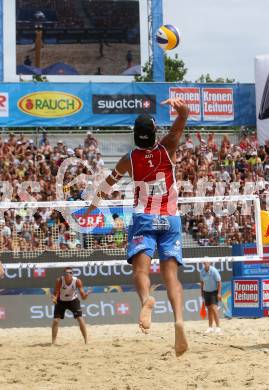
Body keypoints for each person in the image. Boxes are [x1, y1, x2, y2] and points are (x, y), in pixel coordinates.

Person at [86, 98, 189, 356]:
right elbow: (182, 120)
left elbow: (106, 186)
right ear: (155, 133)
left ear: (135, 136)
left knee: (140, 271)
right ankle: (178, 320)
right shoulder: (168, 148)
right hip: (171, 218)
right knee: (171, 277)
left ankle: (146, 300)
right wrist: (181, 110)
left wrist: (93, 206)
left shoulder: (128, 160)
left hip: (144, 217)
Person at [51, 267, 90, 345]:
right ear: (64, 274)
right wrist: (54, 298)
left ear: (72, 274)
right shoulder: (60, 280)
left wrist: (86, 294)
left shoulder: (77, 281)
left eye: (70, 273)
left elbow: (83, 297)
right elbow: (55, 293)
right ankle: (53, 342)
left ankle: (86, 340)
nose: (68, 274)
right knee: (55, 321)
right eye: (66, 273)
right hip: (61, 301)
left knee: (80, 318)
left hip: (73, 300)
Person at [200, 262, 222, 334]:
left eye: (206, 263)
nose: (205, 264)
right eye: (204, 263)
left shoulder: (214, 271)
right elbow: (202, 282)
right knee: (209, 309)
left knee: (214, 309)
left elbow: (219, 282)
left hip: (214, 292)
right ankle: (210, 327)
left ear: (209, 263)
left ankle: (218, 327)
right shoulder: (202, 271)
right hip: (206, 292)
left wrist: (219, 293)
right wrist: (202, 292)